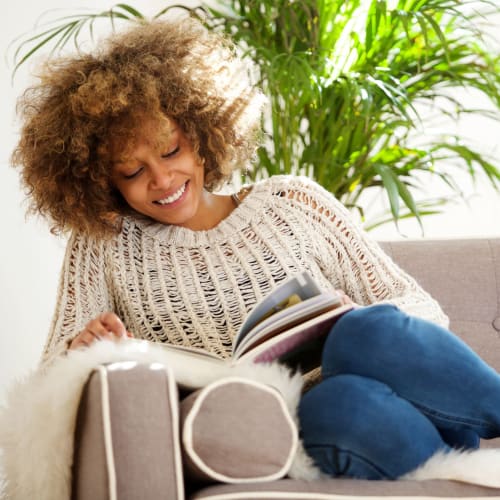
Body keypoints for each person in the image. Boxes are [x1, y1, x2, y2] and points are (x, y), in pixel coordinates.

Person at [12, 16, 500, 481]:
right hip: (320, 428)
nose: (162, 179)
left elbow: (419, 307)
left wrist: (338, 327)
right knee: (339, 404)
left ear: (201, 134)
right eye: (133, 172)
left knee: (363, 331)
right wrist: (80, 351)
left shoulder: (293, 201)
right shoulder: (106, 243)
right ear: (101, 180)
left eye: (170, 150)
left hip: (410, 398)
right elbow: (49, 396)